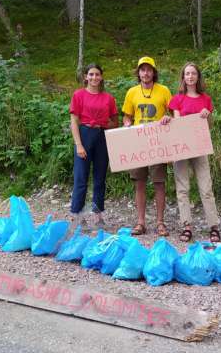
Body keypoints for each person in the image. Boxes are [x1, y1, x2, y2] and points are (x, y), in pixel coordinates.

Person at [169, 62, 221, 242]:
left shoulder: (205, 99)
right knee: (182, 188)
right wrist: (168, 121)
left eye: (193, 73)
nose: (190, 76)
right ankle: (187, 226)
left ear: (198, 77)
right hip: (182, 147)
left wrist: (207, 115)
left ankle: (213, 226)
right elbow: (177, 125)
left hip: (200, 146)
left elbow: (209, 126)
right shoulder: (177, 99)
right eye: (187, 73)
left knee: (206, 187)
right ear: (183, 77)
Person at [121, 56, 172, 237]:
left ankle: (160, 222)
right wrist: (127, 123)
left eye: (149, 69)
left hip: (158, 142)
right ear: (138, 72)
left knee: (159, 183)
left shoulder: (164, 90)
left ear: (154, 72)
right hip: (138, 144)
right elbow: (127, 115)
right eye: (142, 69)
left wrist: (168, 118)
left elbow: (173, 113)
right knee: (140, 184)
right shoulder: (132, 92)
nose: (146, 73)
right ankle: (141, 222)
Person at [69, 63, 118, 229]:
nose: (94, 77)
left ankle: (98, 216)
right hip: (84, 134)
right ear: (85, 77)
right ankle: (77, 215)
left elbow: (115, 122)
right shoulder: (79, 95)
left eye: (97, 74)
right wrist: (79, 145)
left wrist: (104, 123)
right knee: (81, 177)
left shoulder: (108, 98)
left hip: (101, 137)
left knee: (99, 178)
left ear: (101, 77)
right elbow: (74, 121)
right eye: (91, 74)